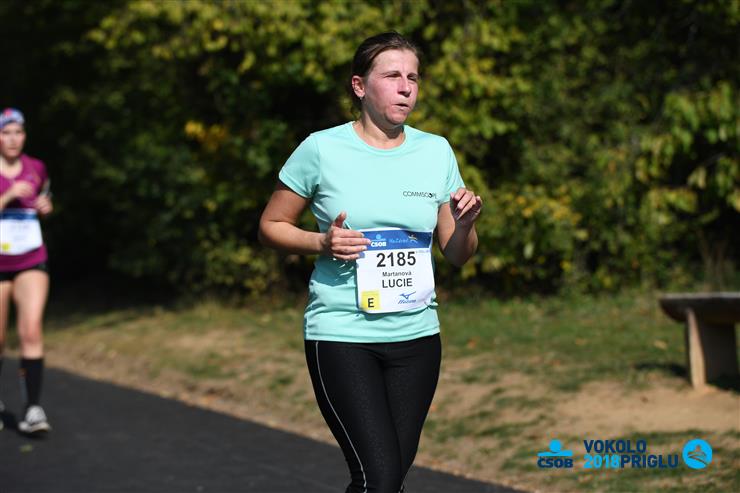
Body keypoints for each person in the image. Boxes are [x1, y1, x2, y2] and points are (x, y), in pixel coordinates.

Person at [259, 32, 482, 492]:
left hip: (418, 338)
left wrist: (464, 226)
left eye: (413, 78)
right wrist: (322, 242)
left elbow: (457, 253)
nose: (406, 88)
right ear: (359, 86)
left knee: (389, 480)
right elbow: (271, 225)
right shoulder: (321, 149)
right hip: (343, 334)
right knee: (377, 478)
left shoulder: (435, 150)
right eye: (393, 76)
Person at [0, 108, 54, 434]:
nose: (12, 139)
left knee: (31, 331)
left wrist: (46, 208)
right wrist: (7, 195)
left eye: (18, 132)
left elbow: (45, 198)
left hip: (31, 257)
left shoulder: (36, 168)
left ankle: (33, 408)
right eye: (6, 132)